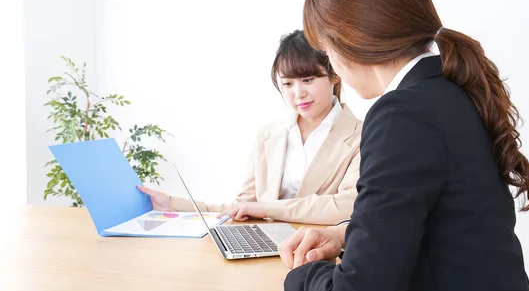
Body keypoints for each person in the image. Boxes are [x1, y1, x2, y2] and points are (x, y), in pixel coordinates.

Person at [279, 0, 529, 291]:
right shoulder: (452, 90)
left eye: (326, 53)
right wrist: (349, 233)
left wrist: (301, 275)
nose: (335, 70)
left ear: (349, 40)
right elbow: (443, 218)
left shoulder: (400, 114)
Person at [138, 30, 362, 225]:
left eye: (308, 80)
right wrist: (172, 204)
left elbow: (346, 206)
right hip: (263, 248)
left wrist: (267, 209)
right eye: (287, 83)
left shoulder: (361, 135)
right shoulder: (270, 134)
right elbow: (243, 207)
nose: (298, 93)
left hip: (319, 257)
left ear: (334, 74)